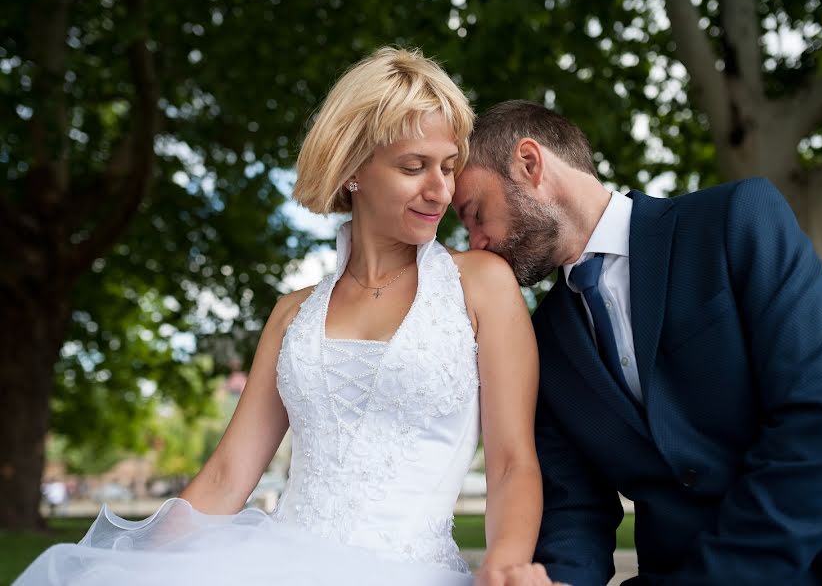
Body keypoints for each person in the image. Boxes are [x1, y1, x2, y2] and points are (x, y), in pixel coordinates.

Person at [15, 50, 559, 586]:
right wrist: (136, 569)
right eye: (413, 167)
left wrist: (504, 567)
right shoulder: (291, 316)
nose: (440, 190)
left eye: (447, 166)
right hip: (274, 565)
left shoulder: (481, 284)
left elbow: (512, 461)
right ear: (352, 170)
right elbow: (227, 476)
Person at [452, 99, 822, 585]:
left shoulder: (736, 221)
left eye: (476, 213)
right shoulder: (543, 341)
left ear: (529, 163)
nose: (476, 241)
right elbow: (575, 504)